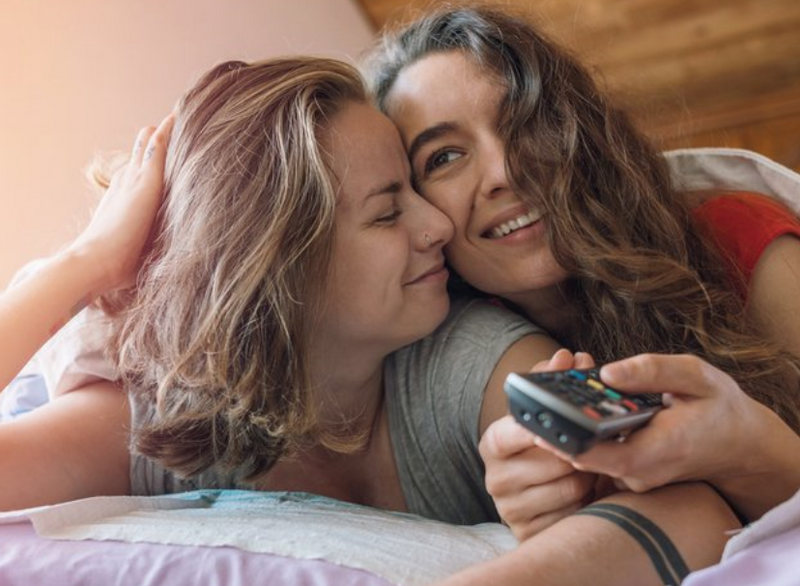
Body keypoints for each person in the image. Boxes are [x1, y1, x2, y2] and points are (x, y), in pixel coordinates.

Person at [0, 56, 738, 586]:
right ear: (282, 270)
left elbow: (693, 506)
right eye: (388, 211)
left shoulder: (471, 360)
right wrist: (89, 260)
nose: (435, 226)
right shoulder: (158, 420)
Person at [364, 3, 800, 533]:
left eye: (524, 123)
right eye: (444, 158)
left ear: (581, 133)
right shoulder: (459, 354)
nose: (506, 171)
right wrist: (542, 516)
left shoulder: (738, 240)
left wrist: (750, 450)